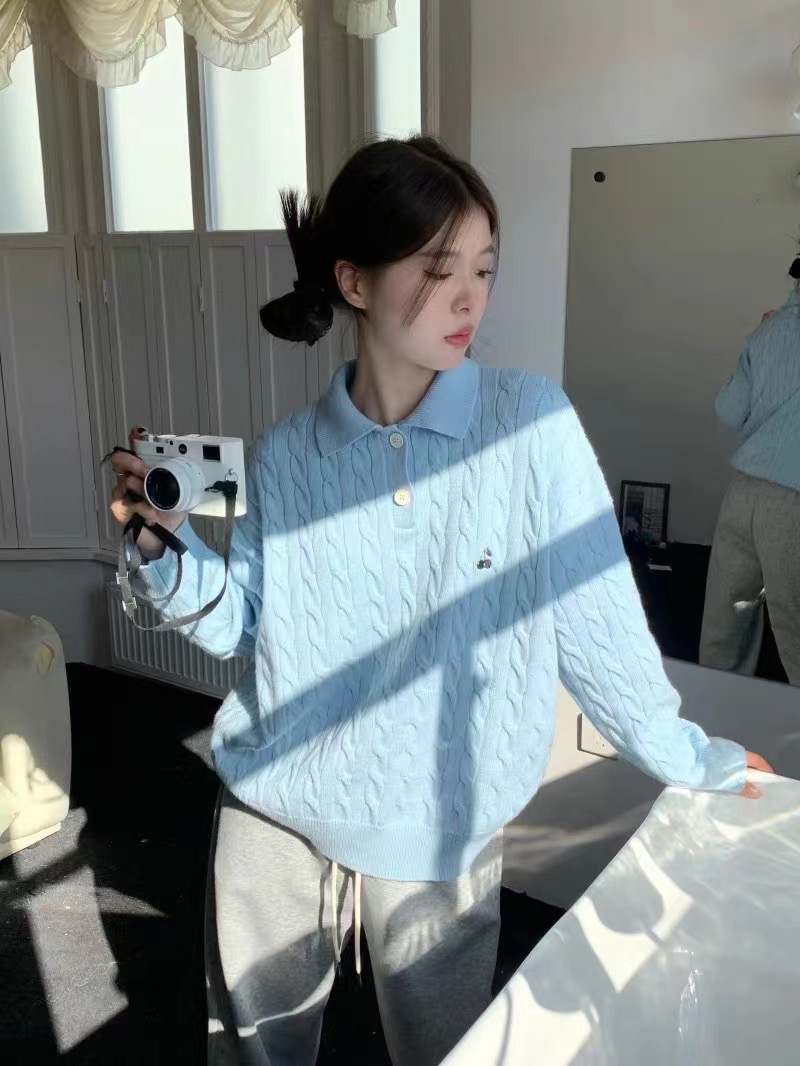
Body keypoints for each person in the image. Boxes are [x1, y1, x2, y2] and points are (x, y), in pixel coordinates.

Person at [110, 137, 772, 1066]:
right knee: (256, 1049)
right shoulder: (288, 453)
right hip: (274, 803)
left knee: (452, 1051)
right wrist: (160, 548)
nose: (470, 298)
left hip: (443, 819)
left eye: (483, 269)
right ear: (353, 281)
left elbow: (600, 627)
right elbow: (245, 628)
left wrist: (689, 757)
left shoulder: (528, 424)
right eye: (436, 269)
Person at [700, 260, 800, 686]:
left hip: (743, 494)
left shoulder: (769, 331)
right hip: (793, 501)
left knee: (725, 624)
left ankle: (716, 711)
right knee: (796, 631)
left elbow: (728, 409)